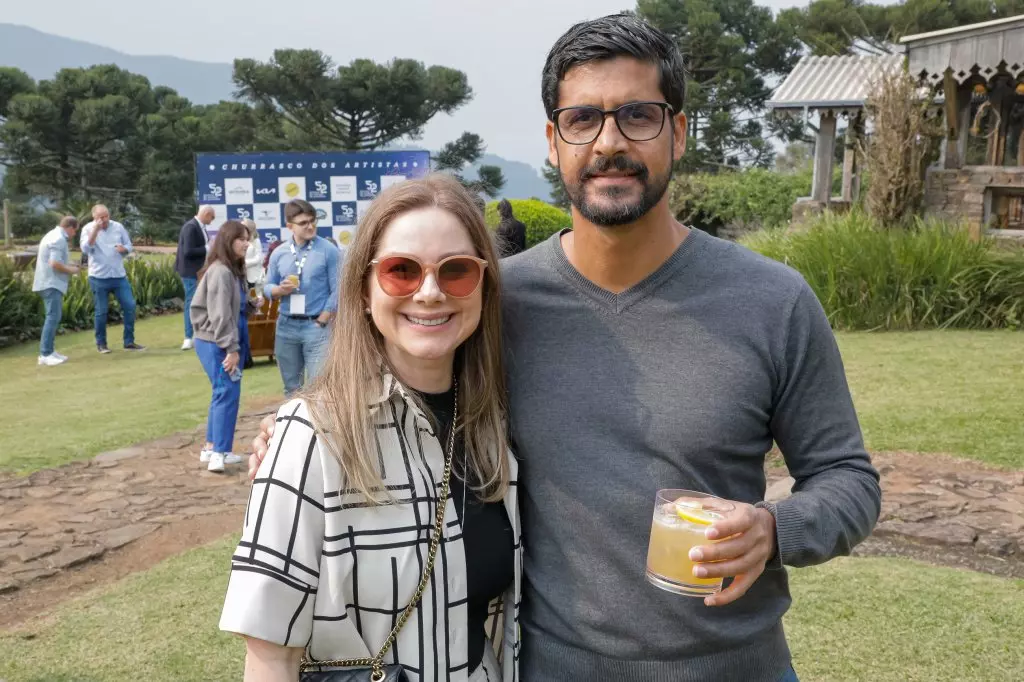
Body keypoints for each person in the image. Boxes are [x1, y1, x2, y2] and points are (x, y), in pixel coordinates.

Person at [251, 13, 881, 682]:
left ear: (679, 132)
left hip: (736, 667)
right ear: (554, 141)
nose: (609, 142)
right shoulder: (491, 302)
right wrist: (298, 432)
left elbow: (848, 479)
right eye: (583, 120)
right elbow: (391, 385)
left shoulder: (772, 301)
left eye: (637, 115)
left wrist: (774, 531)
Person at [220, 174, 521, 682]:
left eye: (457, 272)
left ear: (484, 288)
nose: (430, 292)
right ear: (362, 290)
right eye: (401, 271)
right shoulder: (310, 436)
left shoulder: (496, 427)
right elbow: (271, 657)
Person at [189, 220, 250, 473]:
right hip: (215, 341)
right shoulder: (221, 271)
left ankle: (213, 447)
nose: (247, 244)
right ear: (228, 241)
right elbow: (220, 315)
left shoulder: (230, 270)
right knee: (227, 393)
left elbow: (229, 307)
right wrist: (231, 348)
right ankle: (218, 453)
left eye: (248, 239)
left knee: (221, 392)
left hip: (213, 339)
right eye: (241, 239)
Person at [263, 199, 340, 396]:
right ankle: (295, 426)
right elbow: (267, 286)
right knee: (292, 389)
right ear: (290, 226)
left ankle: (320, 427)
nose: (310, 226)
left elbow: (339, 288)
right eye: (303, 223)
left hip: (316, 327)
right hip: (286, 326)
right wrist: (279, 290)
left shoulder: (328, 250)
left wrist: (323, 318)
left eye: (312, 221)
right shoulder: (279, 253)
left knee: (319, 388)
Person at [80, 204, 145, 354]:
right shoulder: (88, 229)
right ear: (94, 218)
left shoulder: (118, 227)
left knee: (129, 306)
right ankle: (101, 344)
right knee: (101, 312)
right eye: (100, 217)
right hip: (98, 277)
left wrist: (125, 249)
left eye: (106, 216)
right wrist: (95, 231)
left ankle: (129, 342)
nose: (104, 220)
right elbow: (85, 249)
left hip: (118, 275)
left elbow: (129, 245)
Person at [32, 216, 80, 366]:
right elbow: (54, 263)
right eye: (75, 231)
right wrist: (72, 270)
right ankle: (45, 354)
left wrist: (69, 264)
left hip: (48, 282)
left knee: (54, 316)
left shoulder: (52, 234)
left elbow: (55, 260)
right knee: (53, 317)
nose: (74, 234)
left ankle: (50, 351)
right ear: (71, 227)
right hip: (50, 283)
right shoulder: (59, 239)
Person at [175, 206, 216, 351]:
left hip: (199, 271)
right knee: (191, 303)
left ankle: (198, 334)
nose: (212, 221)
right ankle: (188, 337)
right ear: (206, 214)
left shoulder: (200, 226)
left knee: (200, 302)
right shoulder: (190, 227)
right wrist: (207, 248)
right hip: (190, 272)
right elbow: (188, 252)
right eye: (212, 217)